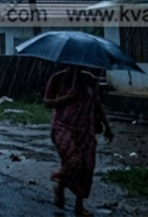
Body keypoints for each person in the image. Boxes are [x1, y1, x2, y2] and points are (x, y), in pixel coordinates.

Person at [43, 65, 113, 216]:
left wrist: (107, 126)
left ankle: (79, 206)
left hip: (85, 129)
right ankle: (60, 184)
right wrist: (66, 98)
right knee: (74, 161)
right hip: (62, 127)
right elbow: (47, 103)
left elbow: (97, 104)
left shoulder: (89, 79)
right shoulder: (57, 78)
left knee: (87, 167)